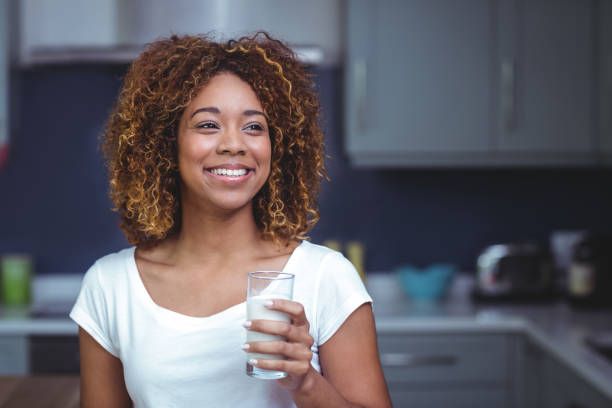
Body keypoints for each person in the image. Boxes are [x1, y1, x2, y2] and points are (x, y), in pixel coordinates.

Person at [70, 31, 391, 407]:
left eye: (254, 127)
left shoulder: (326, 278)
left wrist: (305, 383)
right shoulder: (111, 287)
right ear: (165, 143)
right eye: (208, 125)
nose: (234, 144)